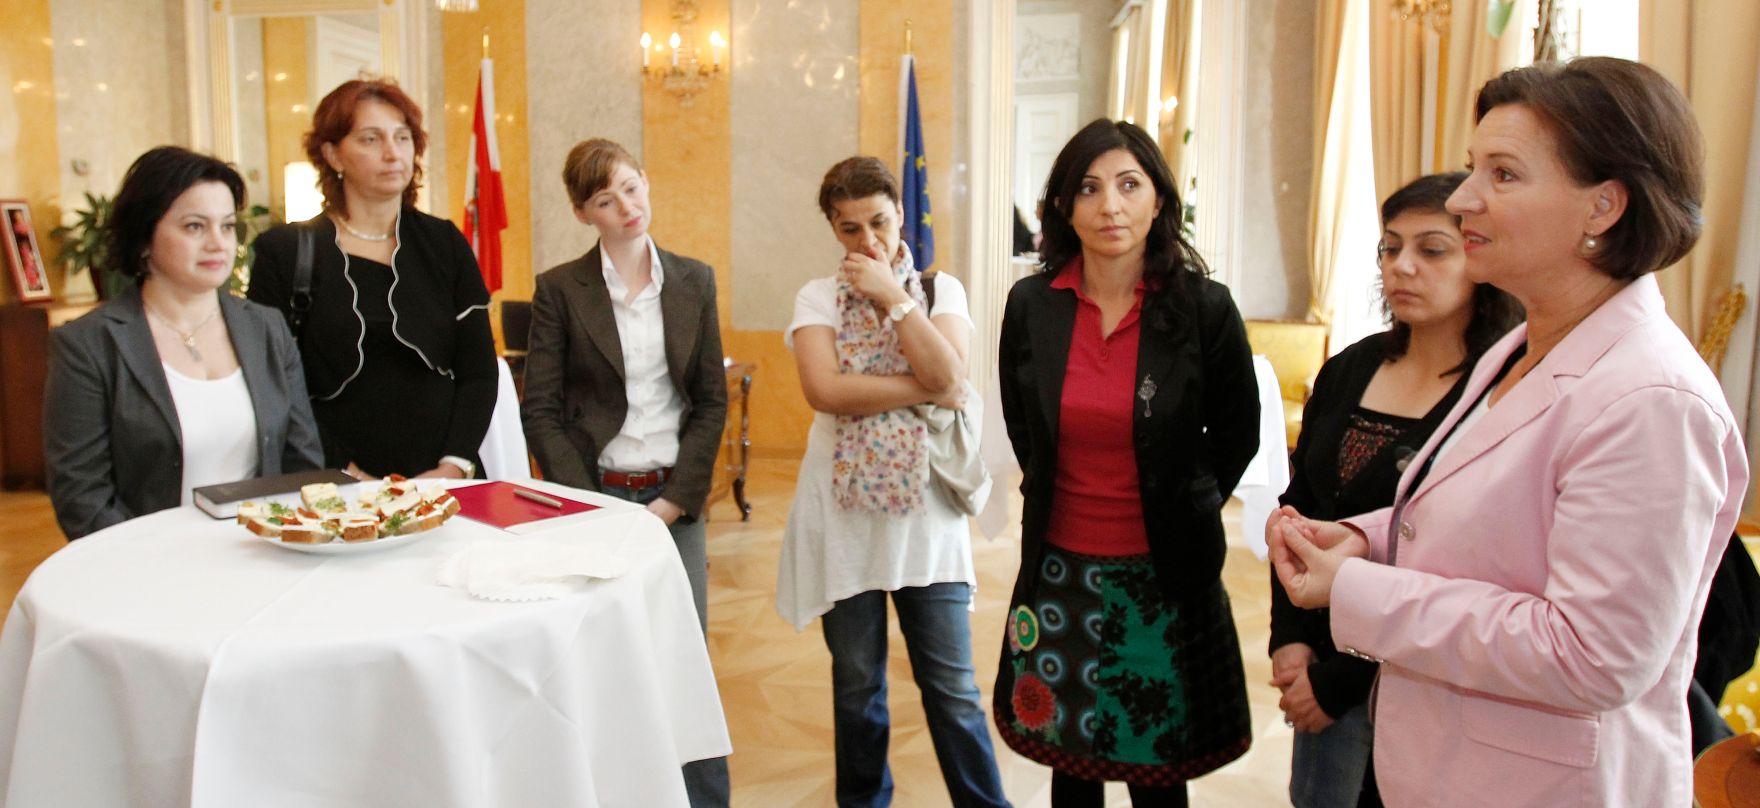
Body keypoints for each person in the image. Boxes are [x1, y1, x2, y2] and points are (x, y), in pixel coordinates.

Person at [1269, 57, 1747, 807]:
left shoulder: (1650, 398)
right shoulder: (1519, 347)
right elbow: (1492, 527)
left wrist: (1361, 589)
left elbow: (1592, 656)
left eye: (1503, 174)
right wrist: (1367, 538)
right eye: (1471, 169)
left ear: (1603, 207)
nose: (1463, 199)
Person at [993, 118, 1260, 808]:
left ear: (1159, 200)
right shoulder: (1032, 306)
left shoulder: (1204, 309)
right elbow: (1028, 429)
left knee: (1156, 775)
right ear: (1062, 207)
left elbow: (1237, 435)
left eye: (1128, 185)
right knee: (1070, 765)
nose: (1110, 206)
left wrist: (1189, 500)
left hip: (1162, 578)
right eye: (1088, 188)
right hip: (1060, 576)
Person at [1268, 172, 1520, 808]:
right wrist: (1290, 638)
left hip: (1424, 673)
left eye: (1432, 250)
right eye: (1390, 248)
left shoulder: (1504, 391)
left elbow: (1462, 566)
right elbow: (1299, 510)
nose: (1403, 267)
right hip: (1322, 650)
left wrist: (1337, 683)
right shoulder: (1352, 365)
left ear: (1482, 257)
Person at [777, 156, 1011, 808]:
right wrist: (926, 389)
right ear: (832, 228)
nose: (869, 242)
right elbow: (825, 390)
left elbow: (953, 374)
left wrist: (891, 295)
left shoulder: (942, 292)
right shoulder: (816, 298)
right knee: (857, 688)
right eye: (850, 229)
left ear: (900, 213)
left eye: (879, 222)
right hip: (841, 516)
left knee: (953, 688)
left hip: (926, 518)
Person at [519, 138, 730, 807]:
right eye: (607, 200)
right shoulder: (559, 289)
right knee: (600, 659)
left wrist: (673, 503)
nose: (628, 207)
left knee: (681, 660)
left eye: (633, 188)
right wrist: (591, 509)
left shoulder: (695, 279)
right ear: (585, 214)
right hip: (596, 499)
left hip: (672, 501)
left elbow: (710, 401)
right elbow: (542, 408)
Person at [43, 146, 323, 539]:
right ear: (144, 238)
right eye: (195, 226)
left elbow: (303, 464)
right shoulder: (88, 344)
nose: (218, 243)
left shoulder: (266, 328)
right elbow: (81, 497)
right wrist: (161, 565)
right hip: (143, 566)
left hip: (262, 554)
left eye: (227, 226)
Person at [248, 78, 495, 481]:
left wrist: (453, 465)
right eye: (370, 139)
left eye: (403, 137)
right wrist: (346, 474)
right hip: (331, 481)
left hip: (446, 482)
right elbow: (275, 385)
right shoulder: (286, 251)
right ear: (332, 155)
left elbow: (479, 372)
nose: (392, 153)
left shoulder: (443, 242)